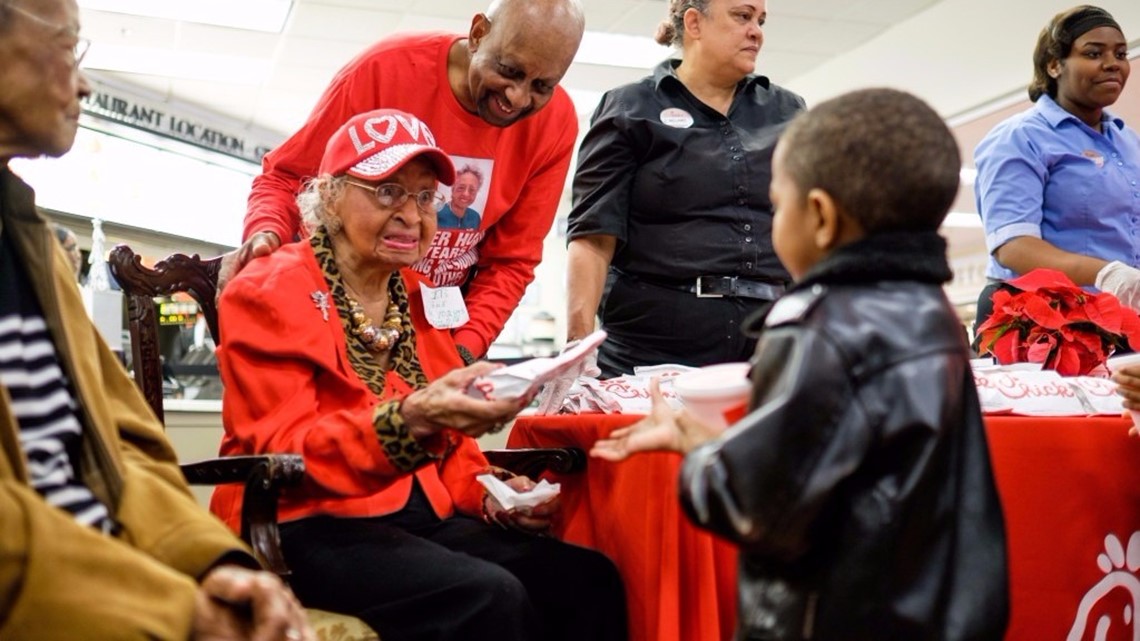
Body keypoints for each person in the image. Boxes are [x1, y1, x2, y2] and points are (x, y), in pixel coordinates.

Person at [592, 88, 1010, 640]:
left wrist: (700, 466)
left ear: (819, 217)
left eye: (776, 204)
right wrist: (704, 440)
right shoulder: (932, 313)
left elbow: (762, 506)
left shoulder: (821, 327)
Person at [214, 108, 627, 641]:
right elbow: (286, 452)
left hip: (415, 512)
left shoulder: (419, 297)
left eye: (425, 196)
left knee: (586, 577)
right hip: (303, 520)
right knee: (489, 595)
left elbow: (452, 444)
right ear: (332, 196)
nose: (412, 214)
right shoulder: (269, 288)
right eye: (387, 191)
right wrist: (407, 421)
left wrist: (492, 495)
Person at [0, 1, 312, 639]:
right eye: (69, 45)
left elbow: (126, 446)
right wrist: (167, 607)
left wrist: (207, 563)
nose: (84, 82)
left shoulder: (31, 243)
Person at [229, 0, 585, 364]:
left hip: (432, 329)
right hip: (327, 307)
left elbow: (512, 261)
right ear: (478, 33)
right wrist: (264, 238)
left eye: (542, 86)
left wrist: (461, 350)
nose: (518, 97)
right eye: (509, 71)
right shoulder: (387, 69)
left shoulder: (555, 125)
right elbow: (288, 177)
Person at [563, 0, 804, 378]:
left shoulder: (787, 112)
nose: (756, 31)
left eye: (760, 20)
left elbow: (812, 228)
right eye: (742, 16)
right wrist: (577, 351)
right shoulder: (630, 108)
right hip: (650, 344)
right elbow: (593, 235)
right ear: (694, 23)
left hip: (767, 341)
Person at [973, 5, 1139, 328]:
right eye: (1093, 54)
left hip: (1120, 317)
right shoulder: (1020, 137)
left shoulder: (1128, 141)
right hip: (1043, 322)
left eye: (1121, 54)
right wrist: (1106, 273)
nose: (1112, 64)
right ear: (1053, 65)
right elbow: (1013, 246)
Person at [437, 164, 484, 229]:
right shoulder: (437, 214)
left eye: (472, 190)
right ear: (453, 189)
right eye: (461, 188)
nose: (466, 194)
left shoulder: (475, 217)